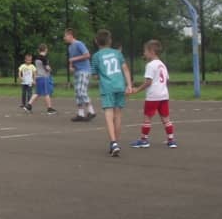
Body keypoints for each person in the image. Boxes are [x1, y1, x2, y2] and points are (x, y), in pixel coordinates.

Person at [91, 29, 133, 157]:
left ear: (96, 42)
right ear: (110, 41)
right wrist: (129, 85)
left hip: (107, 88)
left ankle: (113, 142)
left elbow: (95, 75)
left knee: (109, 115)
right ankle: (116, 143)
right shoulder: (117, 53)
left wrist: (99, 76)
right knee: (118, 115)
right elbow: (125, 69)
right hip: (120, 86)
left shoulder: (96, 56)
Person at [129, 39, 177, 148]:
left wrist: (137, 89)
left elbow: (148, 82)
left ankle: (144, 140)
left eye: (145, 51)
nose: (144, 53)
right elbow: (167, 80)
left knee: (147, 118)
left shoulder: (150, 65)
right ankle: (171, 140)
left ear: (152, 51)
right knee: (166, 118)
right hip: (164, 95)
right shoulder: (162, 65)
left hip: (153, 96)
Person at [65, 28, 96, 122]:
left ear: (70, 35)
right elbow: (71, 59)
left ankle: (91, 111)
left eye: (65, 35)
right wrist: (71, 66)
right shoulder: (70, 47)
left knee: (81, 91)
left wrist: (73, 60)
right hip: (77, 72)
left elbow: (87, 55)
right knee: (77, 93)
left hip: (84, 70)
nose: (64, 37)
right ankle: (80, 114)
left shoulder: (79, 44)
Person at [27, 44, 57, 115]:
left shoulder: (36, 58)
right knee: (47, 93)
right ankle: (49, 109)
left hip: (38, 77)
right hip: (44, 77)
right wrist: (50, 69)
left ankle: (28, 105)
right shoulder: (44, 58)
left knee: (37, 93)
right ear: (45, 49)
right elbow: (47, 68)